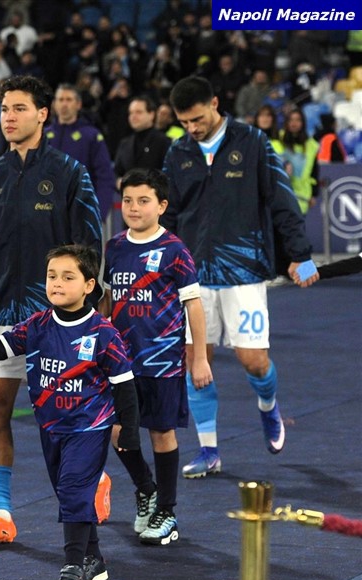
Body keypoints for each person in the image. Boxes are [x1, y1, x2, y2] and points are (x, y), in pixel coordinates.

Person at [0, 245, 141, 580]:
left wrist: (129, 431)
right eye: (52, 276)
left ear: (89, 285)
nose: (57, 283)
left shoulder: (103, 333)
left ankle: (73, 567)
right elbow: (0, 348)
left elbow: (125, 386)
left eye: (68, 277)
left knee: (75, 490)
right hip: (51, 429)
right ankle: (93, 560)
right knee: (68, 494)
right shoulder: (37, 325)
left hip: (88, 429)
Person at [0, 74, 103, 550]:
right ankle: (0, 514)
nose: (9, 117)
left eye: (19, 108)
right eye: (4, 108)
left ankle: (95, 479)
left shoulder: (69, 172)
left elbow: (89, 245)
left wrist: (83, 308)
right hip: (1, 310)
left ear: (42, 115)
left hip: (56, 315)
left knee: (67, 414)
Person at [162, 76, 318, 479]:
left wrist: (299, 254)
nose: (192, 129)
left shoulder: (252, 142)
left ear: (215, 103)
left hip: (244, 272)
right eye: (185, 122)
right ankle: (209, 450)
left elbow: (281, 199)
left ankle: (268, 407)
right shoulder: (178, 152)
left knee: (254, 362)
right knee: (196, 361)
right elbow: (169, 214)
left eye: (197, 119)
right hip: (193, 275)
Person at [102, 168, 213, 545]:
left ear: (162, 205)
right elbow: (108, 299)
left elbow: (194, 306)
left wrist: (200, 358)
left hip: (163, 361)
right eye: (127, 200)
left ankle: (167, 510)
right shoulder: (114, 247)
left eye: (143, 200)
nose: (133, 208)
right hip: (121, 362)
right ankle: (146, 488)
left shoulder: (175, 251)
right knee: (117, 430)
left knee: (161, 432)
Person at [46, 84, 116, 222]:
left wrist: (98, 213)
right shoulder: (42, 136)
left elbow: (105, 177)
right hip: (47, 215)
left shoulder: (91, 136)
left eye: (68, 99)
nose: (64, 104)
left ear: (78, 104)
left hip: (81, 214)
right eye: (60, 99)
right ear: (54, 104)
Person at [113, 95, 172, 188]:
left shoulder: (163, 141)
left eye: (138, 112)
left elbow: (169, 174)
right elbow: (116, 172)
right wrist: (118, 181)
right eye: (131, 113)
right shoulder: (125, 143)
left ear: (151, 114)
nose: (133, 116)